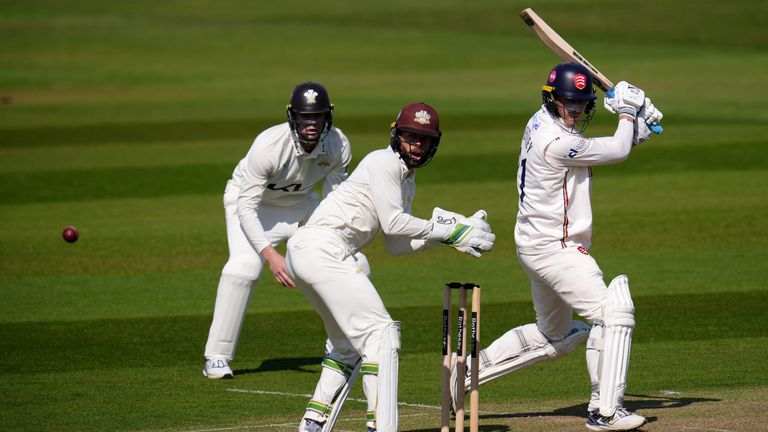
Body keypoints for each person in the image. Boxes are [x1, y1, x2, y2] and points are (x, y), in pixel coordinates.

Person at [450, 62, 663, 431]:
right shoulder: (556, 141)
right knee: (611, 314)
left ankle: (462, 376)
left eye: (582, 102)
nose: (576, 109)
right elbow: (615, 151)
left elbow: (604, 149)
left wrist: (632, 130)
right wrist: (628, 114)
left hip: (535, 245)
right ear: (551, 99)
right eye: (569, 102)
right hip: (556, 249)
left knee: (555, 336)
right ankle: (605, 412)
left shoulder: (539, 121)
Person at [286, 102, 496, 432]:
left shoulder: (405, 180)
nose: (417, 146)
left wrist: (446, 238)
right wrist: (451, 229)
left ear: (434, 145)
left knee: (345, 347)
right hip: (323, 247)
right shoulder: (383, 162)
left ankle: (313, 423)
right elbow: (395, 223)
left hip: (313, 252)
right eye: (411, 137)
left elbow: (395, 244)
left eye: (424, 140)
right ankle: (380, 426)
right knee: (382, 334)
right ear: (396, 135)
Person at [202, 81, 358, 379]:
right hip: (253, 206)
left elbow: (336, 200)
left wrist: (336, 239)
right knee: (243, 268)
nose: (311, 125)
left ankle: (340, 347)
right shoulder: (269, 145)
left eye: (318, 117)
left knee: (353, 263)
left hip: (302, 206)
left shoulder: (339, 144)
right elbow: (245, 206)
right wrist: (271, 255)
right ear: (292, 116)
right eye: (304, 118)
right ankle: (217, 357)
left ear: (328, 116)